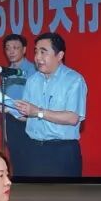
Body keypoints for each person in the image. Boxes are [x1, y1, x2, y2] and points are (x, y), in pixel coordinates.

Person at [14, 33, 87, 178]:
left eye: (43, 52)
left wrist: (38, 112)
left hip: (61, 152)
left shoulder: (74, 80)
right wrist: (10, 108)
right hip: (33, 150)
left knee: (63, 193)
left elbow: (73, 118)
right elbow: (27, 116)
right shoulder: (32, 80)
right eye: (36, 52)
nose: (37, 57)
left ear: (59, 55)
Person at [0, 34, 37, 173]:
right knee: (15, 159)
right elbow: (2, 96)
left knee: (29, 161)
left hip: (29, 120)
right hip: (11, 120)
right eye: (7, 48)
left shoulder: (33, 70)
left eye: (15, 48)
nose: (11, 51)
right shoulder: (6, 72)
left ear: (24, 50)